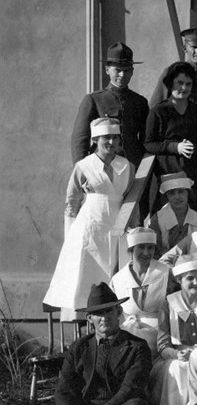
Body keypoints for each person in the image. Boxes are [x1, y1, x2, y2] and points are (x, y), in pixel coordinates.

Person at [15, 283, 153, 405]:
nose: (104, 318)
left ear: (118, 312)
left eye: (109, 311)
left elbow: (129, 390)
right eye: (98, 313)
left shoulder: (137, 347)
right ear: (89, 319)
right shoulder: (79, 347)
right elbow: (63, 391)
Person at [44, 118, 133, 320]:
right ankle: (82, 325)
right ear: (95, 140)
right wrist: (71, 236)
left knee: (115, 273)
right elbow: (72, 201)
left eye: (115, 138)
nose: (111, 143)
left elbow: (130, 198)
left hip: (118, 225)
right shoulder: (84, 166)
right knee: (85, 274)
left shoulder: (127, 166)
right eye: (105, 138)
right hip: (90, 226)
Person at [151, 256, 197, 405]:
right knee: (179, 368)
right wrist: (177, 354)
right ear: (179, 280)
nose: (196, 282)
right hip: (177, 355)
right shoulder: (169, 304)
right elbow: (162, 345)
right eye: (190, 278)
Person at [71, 42, 149, 167]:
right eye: (117, 70)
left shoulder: (140, 102)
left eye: (127, 70)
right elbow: (80, 139)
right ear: (107, 70)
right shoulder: (94, 100)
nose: (122, 75)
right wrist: (82, 171)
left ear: (132, 71)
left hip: (133, 166)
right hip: (102, 166)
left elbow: (146, 140)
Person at [145, 61, 197, 196]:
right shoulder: (158, 111)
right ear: (171, 84)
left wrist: (194, 147)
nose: (184, 88)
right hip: (168, 172)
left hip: (195, 174)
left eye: (188, 84)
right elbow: (148, 144)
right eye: (180, 83)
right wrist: (175, 147)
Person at [110, 227, 171, 352]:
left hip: (161, 334)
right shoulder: (118, 280)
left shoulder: (166, 273)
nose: (146, 253)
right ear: (131, 249)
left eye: (150, 247)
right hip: (129, 333)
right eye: (141, 247)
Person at [150, 28, 197, 133]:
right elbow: (155, 107)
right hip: (176, 138)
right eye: (193, 47)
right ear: (185, 48)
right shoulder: (171, 73)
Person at [145, 172, 197, 258]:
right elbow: (152, 248)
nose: (177, 197)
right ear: (166, 196)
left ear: (188, 193)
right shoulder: (157, 219)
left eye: (181, 192)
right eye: (171, 193)